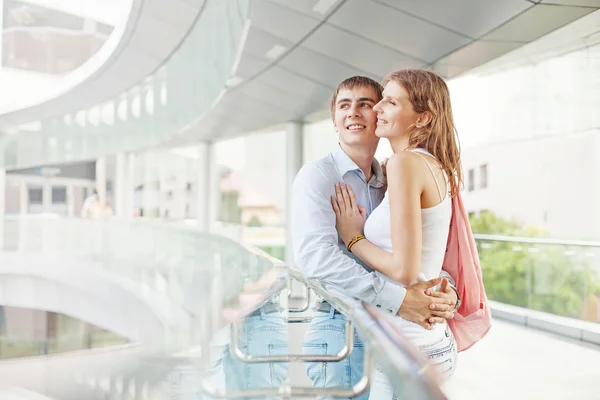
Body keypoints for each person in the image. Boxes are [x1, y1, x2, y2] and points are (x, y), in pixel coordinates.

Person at [291, 76, 459, 399]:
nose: (354, 112)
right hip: (341, 327)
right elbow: (316, 259)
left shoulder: (391, 177)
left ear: (378, 116)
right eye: (344, 105)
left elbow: (422, 249)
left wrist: (445, 290)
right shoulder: (319, 176)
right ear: (334, 121)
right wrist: (400, 300)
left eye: (365, 104)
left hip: (389, 329)